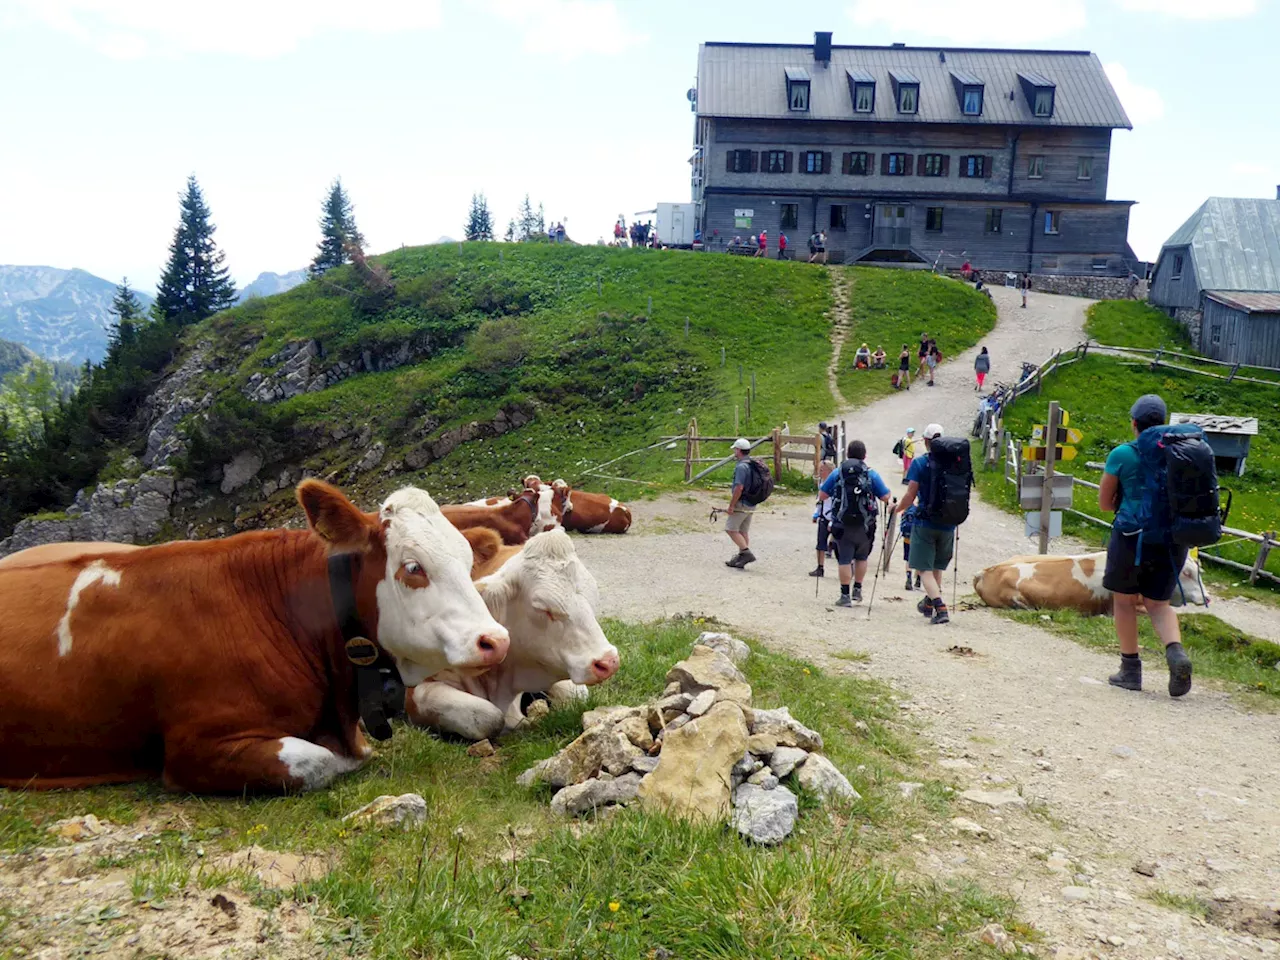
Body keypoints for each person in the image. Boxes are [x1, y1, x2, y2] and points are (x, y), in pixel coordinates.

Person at [1099, 394, 1194, 697]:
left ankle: (1130, 671)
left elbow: (1104, 504)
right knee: (1159, 605)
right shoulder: (1181, 453)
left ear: (1134, 423)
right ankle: (1176, 653)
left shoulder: (1122, 455)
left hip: (1131, 539)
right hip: (1171, 541)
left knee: (1125, 602)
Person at [893, 423, 958, 624]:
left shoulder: (921, 463)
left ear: (927, 441)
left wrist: (896, 509)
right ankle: (929, 605)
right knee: (937, 566)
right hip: (948, 523)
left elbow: (910, 495)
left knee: (923, 568)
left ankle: (940, 607)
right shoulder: (955, 463)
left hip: (925, 522)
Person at [819, 440, 893, 606]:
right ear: (864, 455)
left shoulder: (838, 473)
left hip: (842, 523)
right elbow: (885, 497)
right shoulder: (870, 474)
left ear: (848, 454)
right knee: (861, 557)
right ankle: (857, 590)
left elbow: (823, 495)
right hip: (865, 524)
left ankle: (844, 596)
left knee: (844, 559)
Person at [725, 438, 759, 569]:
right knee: (743, 530)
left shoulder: (741, 467)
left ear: (739, 450)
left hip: (742, 502)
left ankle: (745, 552)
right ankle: (741, 558)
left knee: (731, 529)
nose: (734, 451)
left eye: (735, 449)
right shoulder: (752, 464)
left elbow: (739, 487)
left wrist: (732, 505)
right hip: (752, 501)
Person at [810, 461, 836, 577]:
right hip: (823, 514)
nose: (819, 472)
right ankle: (820, 567)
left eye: (822, 470)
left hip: (835, 516)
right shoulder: (821, 483)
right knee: (820, 542)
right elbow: (819, 501)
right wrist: (816, 514)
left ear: (829, 471)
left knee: (839, 542)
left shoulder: (836, 484)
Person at [899, 504, 922, 591]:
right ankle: (918, 580)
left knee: (908, 558)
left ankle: (909, 578)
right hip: (921, 537)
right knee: (920, 558)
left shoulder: (909, 506)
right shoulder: (924, 506)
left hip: (908, 537)